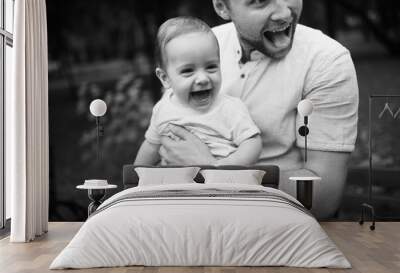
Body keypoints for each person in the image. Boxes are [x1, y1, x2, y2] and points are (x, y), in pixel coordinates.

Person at [158, 0, 359, 219]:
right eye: (260, 2)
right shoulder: (194, 48)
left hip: (278, 226)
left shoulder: (326, 62)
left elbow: (323, 197)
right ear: (222, 8)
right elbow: (167, 144)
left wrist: (212, 171)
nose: (284, 12)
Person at [134, 17, 262, 166]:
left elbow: (253, 143)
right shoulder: (163, 109)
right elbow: (151, 146)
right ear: (165, 78)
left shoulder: (229, 108)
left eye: (211, 67)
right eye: (188, 71)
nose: (202, 78)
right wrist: (135, 180)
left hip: (221, 183)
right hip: (175, 184)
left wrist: (222, 166)